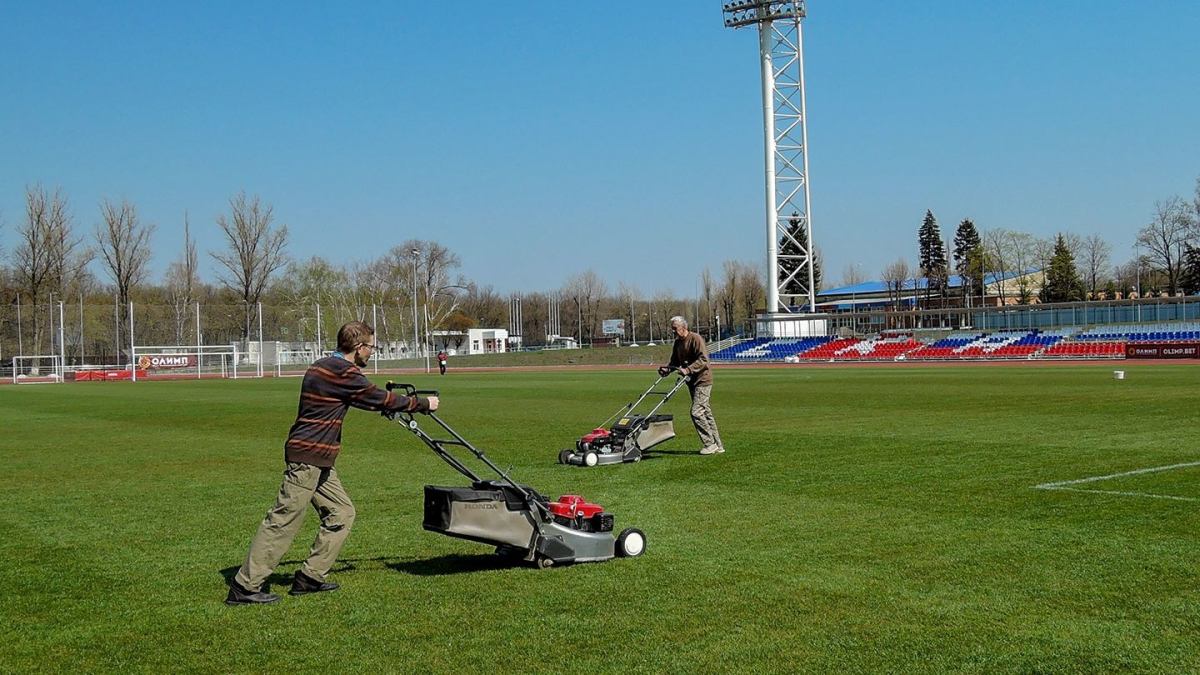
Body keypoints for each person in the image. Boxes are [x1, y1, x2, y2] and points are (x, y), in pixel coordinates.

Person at [226, 320, 439, 605]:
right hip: (308, 458)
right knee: (283, 519)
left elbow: (362, 399)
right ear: (358, 346)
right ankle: (245, 586)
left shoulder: (323, 366)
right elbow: (375, 396)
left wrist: (384, 405)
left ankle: (310, 577)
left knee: (341, 513)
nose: (372, 353)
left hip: (320, 457)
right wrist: (421, 404)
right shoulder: (342, 371)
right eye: (371, 347)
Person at [658, 316, 724, 456]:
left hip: (703, 380)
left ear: (683, 327)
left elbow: (704, 359)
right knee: (706, 413)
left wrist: (688, 370)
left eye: (675, 328)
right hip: (691, 382)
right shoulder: (677, 343)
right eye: (672, 329)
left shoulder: (695, 339)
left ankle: (709, 444)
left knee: (696, 412)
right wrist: (667, 369)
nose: (673, 331)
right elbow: (675, 361)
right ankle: (718, 445)